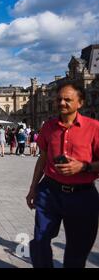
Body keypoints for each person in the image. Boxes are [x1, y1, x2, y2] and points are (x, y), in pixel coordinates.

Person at [26, 81, 99, 268]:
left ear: (80, 102)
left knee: (77, 249)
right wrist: (33, 188)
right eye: (59, 99)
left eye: (68, 99)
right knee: (40, 241)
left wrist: (83, 167)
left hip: (82, 195)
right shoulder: (48, 127)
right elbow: (42, 159)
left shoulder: (94, 127)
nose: (62, 103)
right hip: (49, 191)